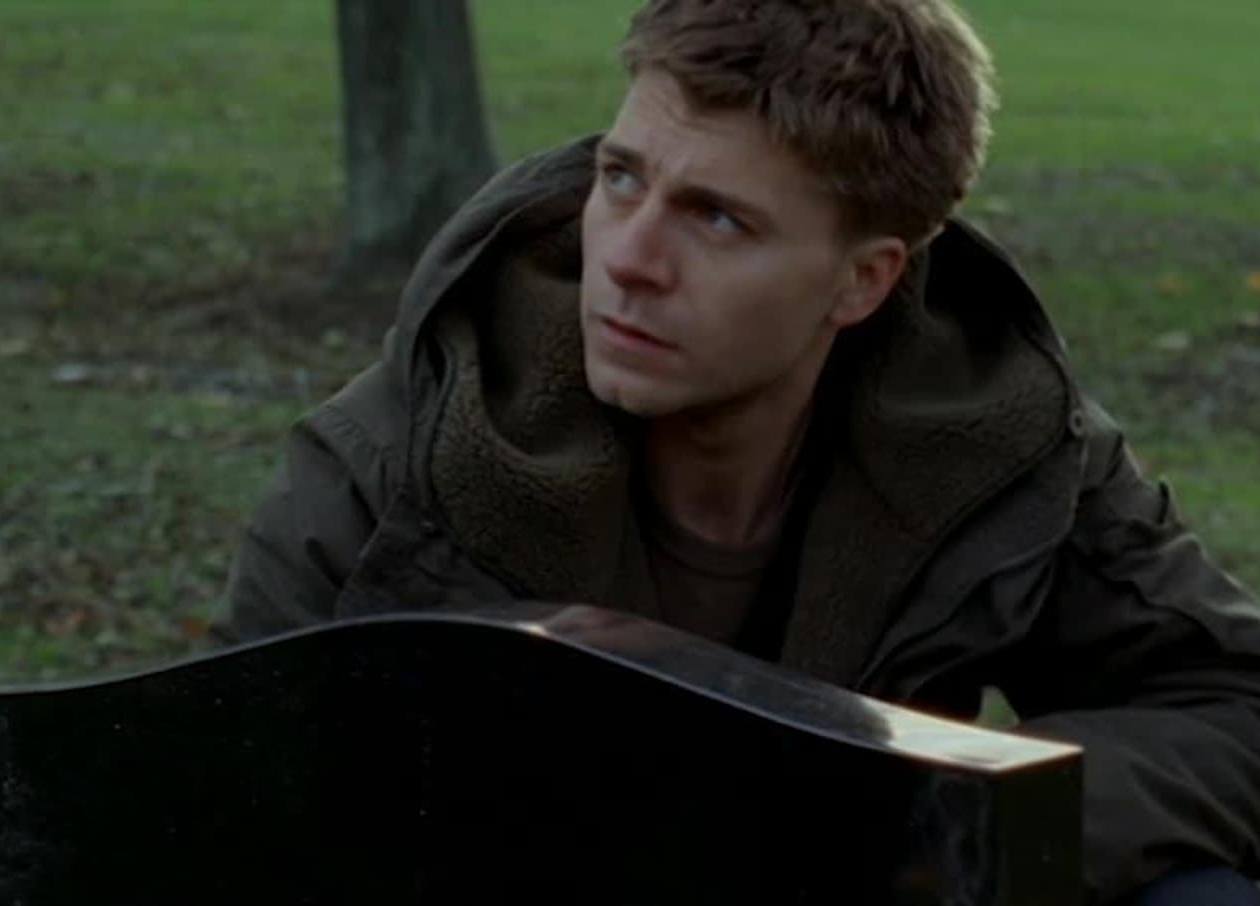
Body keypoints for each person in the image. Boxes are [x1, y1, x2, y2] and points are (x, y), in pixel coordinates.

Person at [209, 0, 1260, 902]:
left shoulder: (991, 436)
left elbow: (1230, 707)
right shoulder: (404, 458)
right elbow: (220, 817)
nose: (630, 260)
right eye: (622, 178)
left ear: (864, 281)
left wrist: (936, 832)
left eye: (716, 220)